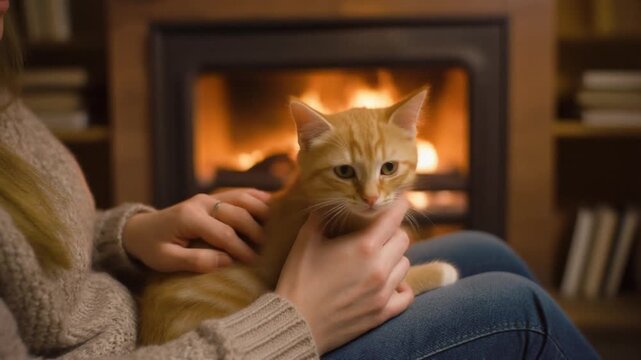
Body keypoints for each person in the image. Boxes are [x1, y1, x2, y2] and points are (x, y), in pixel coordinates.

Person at [0, 2, 599, 358]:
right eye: (346, 174)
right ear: (306, 150)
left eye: (390, 171)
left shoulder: (9, 107)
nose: (372, 194)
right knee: (520, 309)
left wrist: (122, 235)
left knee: (486, 250)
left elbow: (41, 248)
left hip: (167, 308)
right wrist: (294, 322)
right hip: (236, 340)